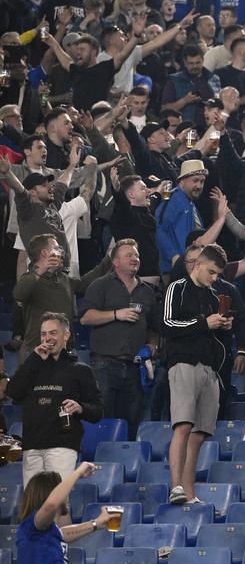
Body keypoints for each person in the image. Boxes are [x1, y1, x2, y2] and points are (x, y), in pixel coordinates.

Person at [159, 244, 233, 504]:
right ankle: (176, 487)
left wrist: (223, 326)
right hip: (183, 363)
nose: (214, 278)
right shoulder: (176, 287)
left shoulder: (214, 296)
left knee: (200, 432)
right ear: (197, 264)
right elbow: (166, 324)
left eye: (217, 275)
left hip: (209, 367)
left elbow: (213, 333)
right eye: (211, 272)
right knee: (183, 426)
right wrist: (205, 323)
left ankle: (189, 493)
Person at [7, 312, 103, 484]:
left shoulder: (81, 370)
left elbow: (98, 412)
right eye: (43, 334)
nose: (47, 338)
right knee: (34, 504)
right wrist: (34, 359)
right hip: (32, 446)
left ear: (66, 335)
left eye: (53, 333)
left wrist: (80, 408)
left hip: (62, 446)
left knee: (58, 503)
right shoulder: (32, 367)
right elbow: (12, 391)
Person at [78, 239, 157, 439]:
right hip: (105, 364)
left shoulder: (148, 291)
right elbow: (86, 317)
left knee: (132, 421)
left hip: (135, 367)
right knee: (102, 419)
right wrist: (116, 314)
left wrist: (152, 345)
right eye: (129, 255)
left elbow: (154, 327)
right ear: (115, 262)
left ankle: (124, 463)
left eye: (136, 255)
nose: (134, 258)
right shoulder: (100, 285)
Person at [16, 463, 121, 562]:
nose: (68, 493)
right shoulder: (31, 525)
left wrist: (96, 524)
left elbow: (62, 533)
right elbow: (51, 505)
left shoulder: (47, 529)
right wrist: (78, 473)